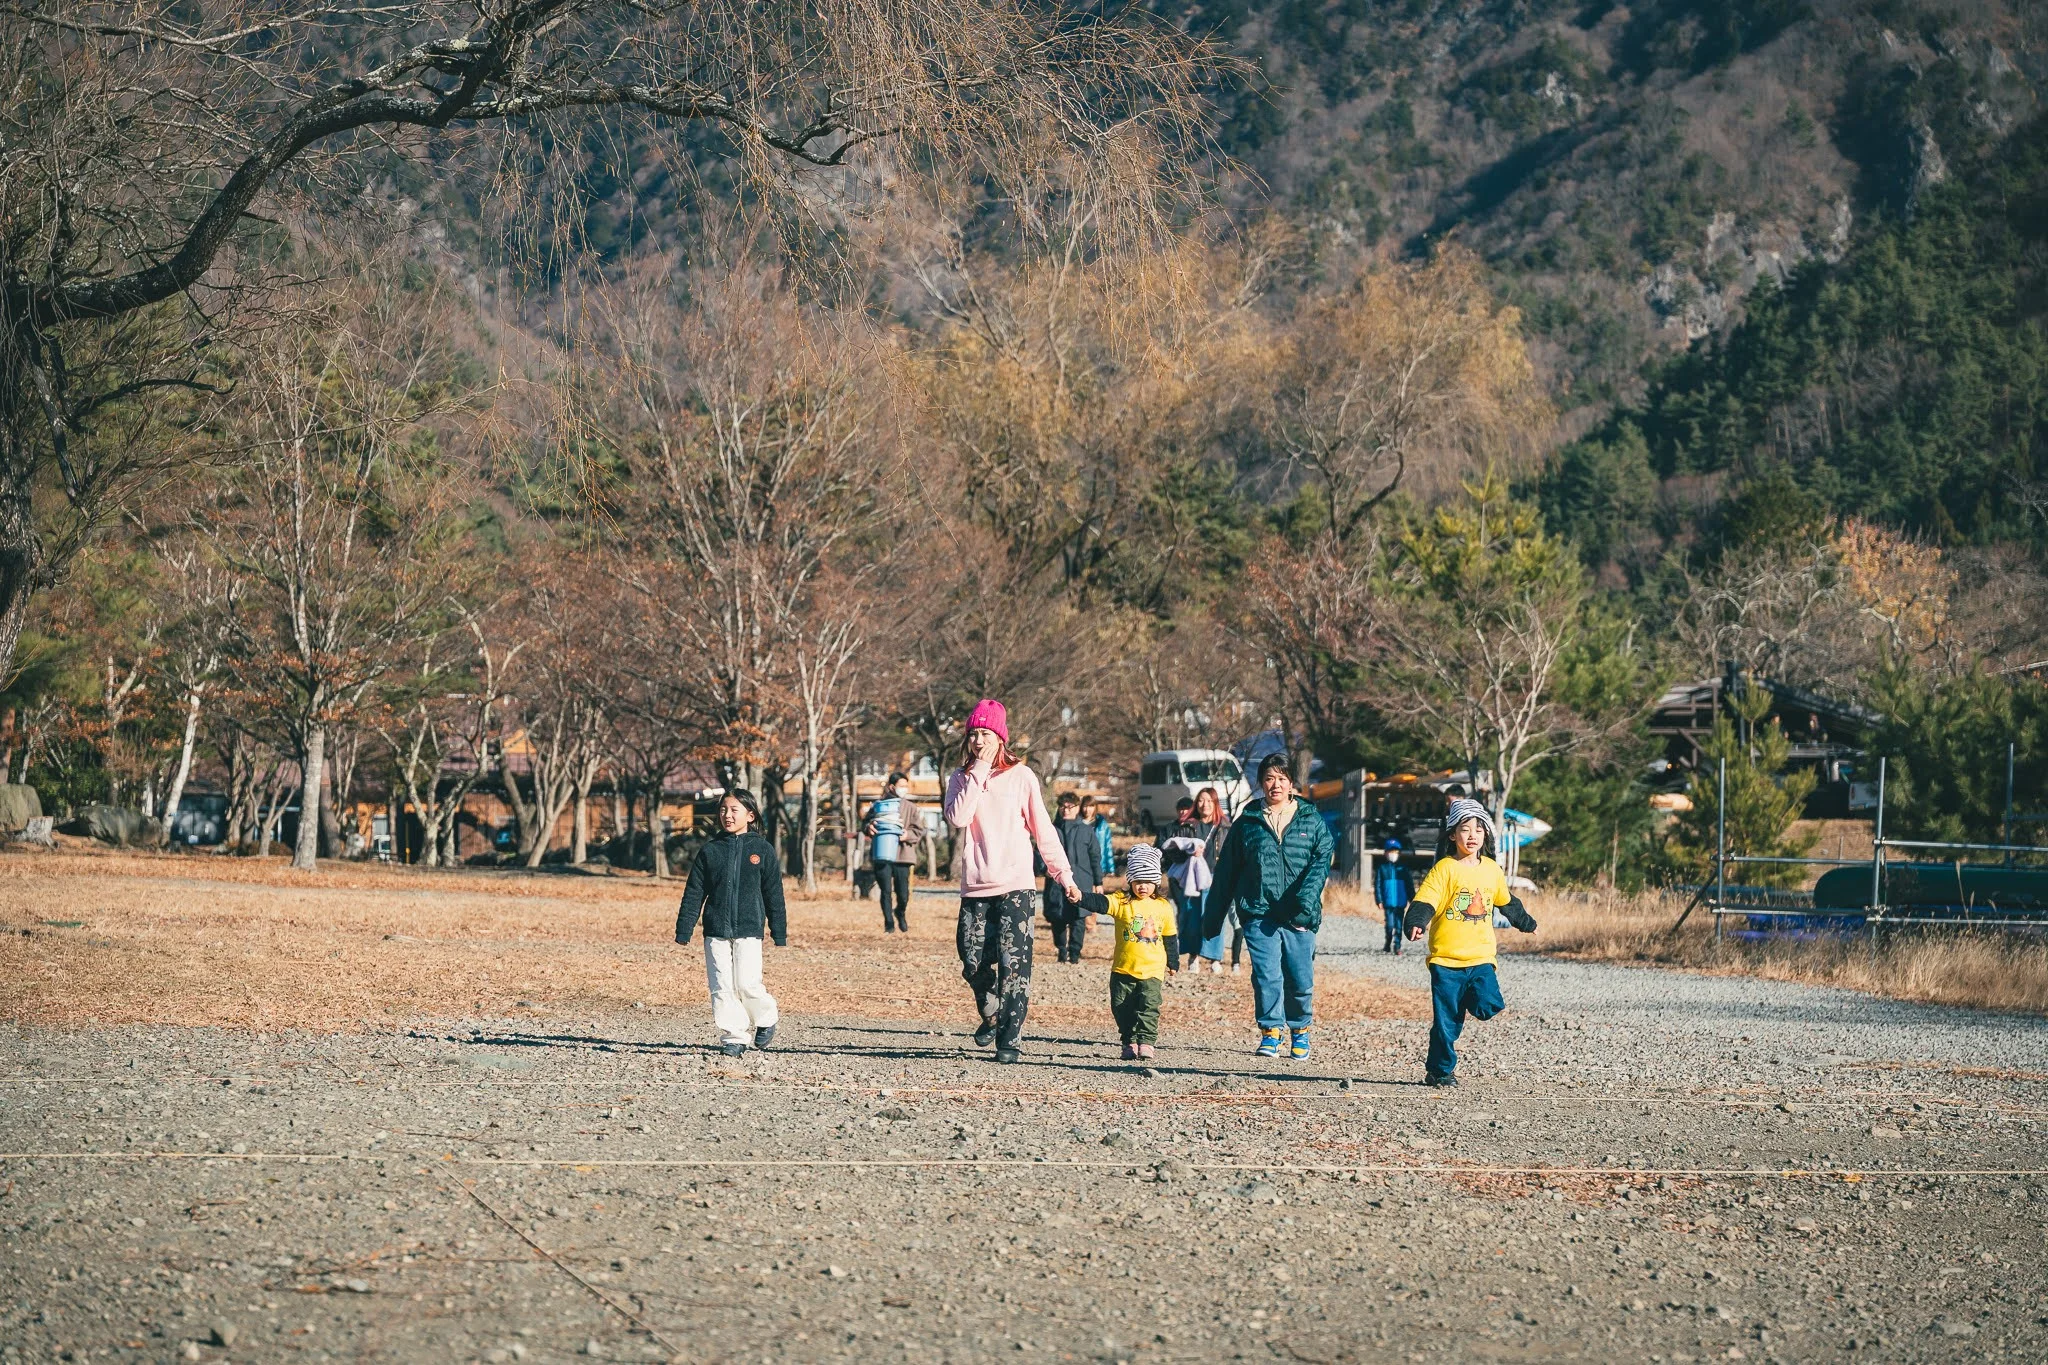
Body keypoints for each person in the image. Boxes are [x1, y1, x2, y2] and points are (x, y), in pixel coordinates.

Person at [943, 698, 1082, 1064]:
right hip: (976, 886)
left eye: (985, 734)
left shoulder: (1021, 776)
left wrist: (1063, 875)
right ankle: (991, 1012)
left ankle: (1010, 1039)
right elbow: (958, 818)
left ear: (1000, 738)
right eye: (973, 734)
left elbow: (1043, 829)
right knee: (972, 961)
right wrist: (979, 770)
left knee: (1014, 966)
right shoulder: (960, 778)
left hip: (1016, 886)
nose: (978, 741)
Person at [1402, 798, 1538, 1088]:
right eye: (1465, 829)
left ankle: (1466, 1000)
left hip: (1481, 958)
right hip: (1446, 962)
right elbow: (1426, 899)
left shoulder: (1491, 869)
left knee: (1489, 1004)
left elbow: (1506, 901)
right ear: (1453, 835)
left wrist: (1526, 923)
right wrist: (1416, 922)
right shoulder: (1445, 869)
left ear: (1486, 833)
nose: (1472, 835)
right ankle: (1440, 1071)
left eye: (1478, 829)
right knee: (1446, 1023)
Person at [1206, 753, 1334, 1060]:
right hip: (1258, 910)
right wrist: (1212, 919)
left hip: (1299, 913)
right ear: (1261, 783)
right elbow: (1226, 874)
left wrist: (1305, 899)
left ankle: (1300, 1030)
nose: (1275, 784)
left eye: (1282, 778)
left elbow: (1321, 862)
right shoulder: (1247, 823)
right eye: (1269, 778)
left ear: (1291, 783)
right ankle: (1271, 1032)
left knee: (1300, 979)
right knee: (1266, 976)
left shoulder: (1311, 820)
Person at [674, 789, 787, 1058]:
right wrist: (684, 928)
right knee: (721, 985)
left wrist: (779, 930)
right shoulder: (710, 851)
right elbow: (694, 892)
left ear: (750, 816)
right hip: (715, 929)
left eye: (734, 810)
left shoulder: (762, 850)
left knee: (747, 983)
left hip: (749, 928)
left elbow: (774, 893)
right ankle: (734, 1037)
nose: (727, 815)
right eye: (724, 810)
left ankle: (766, 1017)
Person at [1078, 844, 1178, 1060]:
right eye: (1138, 881)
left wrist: (1173, 962)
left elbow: (1170, 936)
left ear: (1156, 882)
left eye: (1148, 882)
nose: (1143, 886)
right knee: (1121, 1007)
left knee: (1149, 1007)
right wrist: (1079, 896)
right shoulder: (1121, 902)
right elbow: (1100, 903)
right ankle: (1129, 1041)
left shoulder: (1163, 906)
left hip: (1152, 970)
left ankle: (1147, 1042)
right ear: (1130, 881)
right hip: (1123, 969)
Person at [1158, 787, 1230, 973]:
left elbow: (1231, 854)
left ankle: (1214, 958)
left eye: (1209, 801)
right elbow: (1170, 851)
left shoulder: (1225, 827)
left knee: (1215, 917)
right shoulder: (1187, 826)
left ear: (1216, 803)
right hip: (1191, 877)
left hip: (1216, 877)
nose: (1205, 804)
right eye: (1201, 800)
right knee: (1191, 916)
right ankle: (1193, 956)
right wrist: (1188, 853)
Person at [1045, 791, 1104, 963]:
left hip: (1081, 880)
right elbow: (1039, 852)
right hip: (1056, 881)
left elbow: (1095, 857)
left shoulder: (1086, 831)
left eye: (1070, 807)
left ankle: (1075, 954)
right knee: (1057, 917)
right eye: (1063, 807)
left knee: (1078, 918)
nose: (1066, 810)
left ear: (1077, 808)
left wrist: (1098, 881)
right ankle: (1061, 950)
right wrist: (1043, 869)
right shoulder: (1051, 830)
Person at [862, 772, 921, 934]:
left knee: (903, 893)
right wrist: (869, 827)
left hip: (903, 855)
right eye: (901, 786)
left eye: (906, 786)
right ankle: (889, 924)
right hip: (881, 853)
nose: (904, 789)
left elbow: (918, 830)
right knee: (886, 890)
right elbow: (865, 824)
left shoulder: (910, 807)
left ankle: (900, 912)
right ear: (892, 787)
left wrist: (907, 835)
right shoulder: (878, 806)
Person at [1374, 836, 1414, 954]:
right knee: (1390, 925)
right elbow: (1378, 885)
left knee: (1399, 925)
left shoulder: (1403, 869)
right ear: (1385, 853)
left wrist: (1413, 900)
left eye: (1395, 851)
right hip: (1388, 902)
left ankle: (1397, 946)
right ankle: (1388, 942)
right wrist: (1379, 900)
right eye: (1390, 851)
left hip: (1400, 902)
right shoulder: (1382, 868)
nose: (1393, 854)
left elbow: (1409, 886)